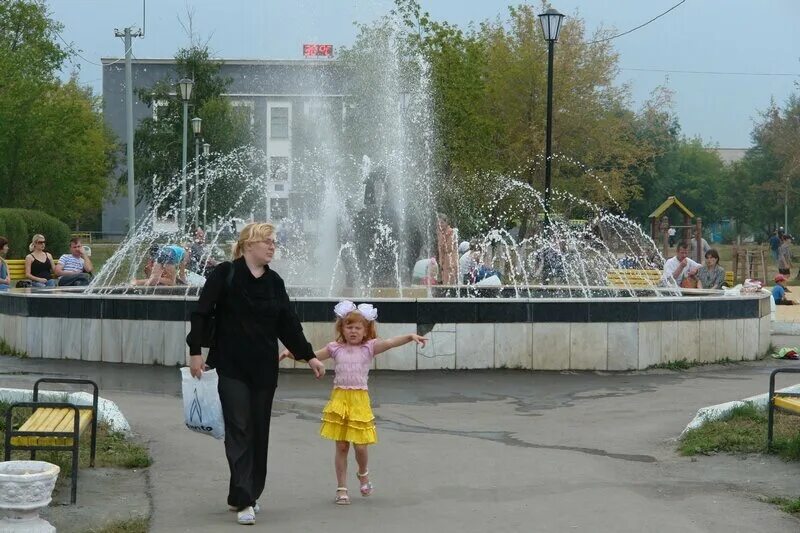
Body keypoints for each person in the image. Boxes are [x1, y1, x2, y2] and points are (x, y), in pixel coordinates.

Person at [186, 222, 326, 526]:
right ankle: (245, 499)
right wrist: (195, 351)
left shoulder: (275, 282)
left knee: (259, 430)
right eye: (267, 241)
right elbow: (201, 312)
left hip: (263, 367)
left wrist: (309, 356)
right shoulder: (226, 273)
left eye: (274, 242)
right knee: (239, 427)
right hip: (230, 365)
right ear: (249, 244)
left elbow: (287, 322)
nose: (273, 246)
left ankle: (247, 492)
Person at [280, 300, 427, 505]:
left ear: (366, 330)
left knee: (360, 447)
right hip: (340, 399)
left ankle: (363, 472)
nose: (353, 331)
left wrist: (410, 336)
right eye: (349, 327)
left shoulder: (369, 347)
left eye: (358, 328)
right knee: (341, 446)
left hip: (359, 400)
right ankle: (341, 488)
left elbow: (391, 342)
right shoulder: (334, 348)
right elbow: (311, 357)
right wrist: (292, 354)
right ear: (342, 328)